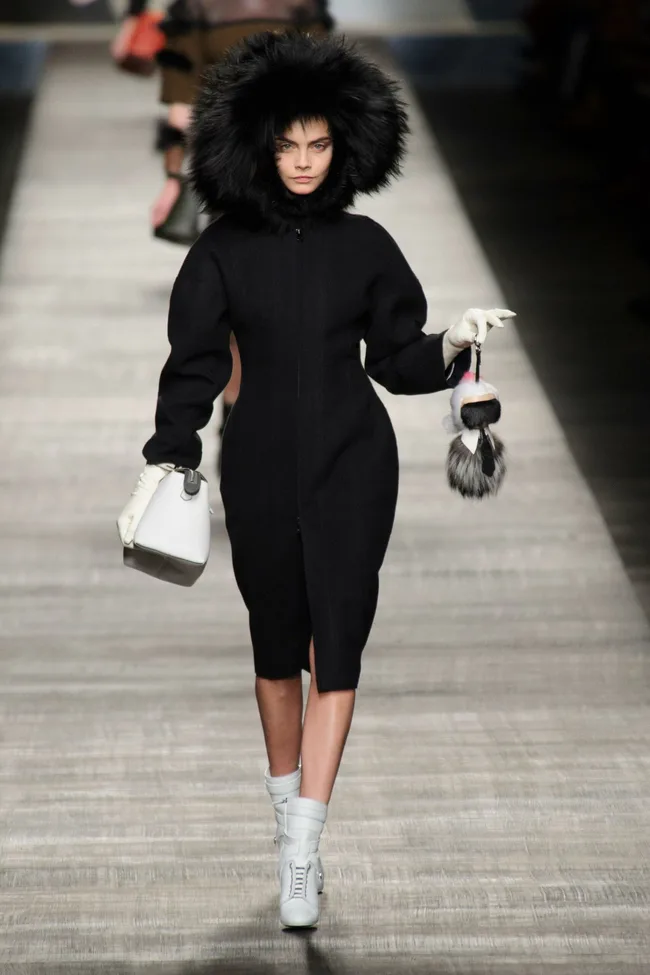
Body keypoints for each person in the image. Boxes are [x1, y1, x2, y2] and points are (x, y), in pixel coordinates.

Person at [116, 31, 513, 929]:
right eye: (287, 146)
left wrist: (453, 345)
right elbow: (193, 364)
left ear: (344, 147)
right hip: (254, 465)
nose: (301, 162)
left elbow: (398, 360)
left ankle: (304, 841)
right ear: (259, 145)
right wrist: (169, 450)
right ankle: (284, 812)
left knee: (338, 641)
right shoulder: (219, 251)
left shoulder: (368, 244)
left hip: (353, 466)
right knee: (273, 647)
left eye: (318, 145)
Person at [112, 1, 333, 470]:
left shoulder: (301, 4)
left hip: (298, 180)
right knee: (239, 316)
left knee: (300, 309)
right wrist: (175, 179)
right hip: (233, 187)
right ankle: (241, 436)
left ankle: (286, 431)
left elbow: (328, 86)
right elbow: (180, 97)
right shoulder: (194, 6)